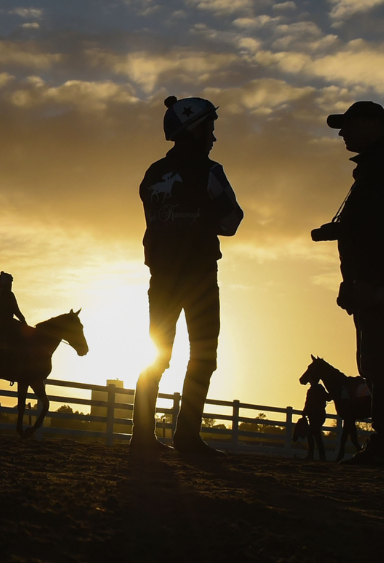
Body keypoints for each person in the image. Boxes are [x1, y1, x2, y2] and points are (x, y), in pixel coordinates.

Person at [311, 101, 384, 467]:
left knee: (378, 362)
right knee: (375, 360)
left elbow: (378, 227)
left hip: (380, 282)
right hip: (377, 280)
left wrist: (367, 277)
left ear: (374, 123)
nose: (342, 133)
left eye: (349, 125)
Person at [131, 95, 243, 456]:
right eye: (209, 129)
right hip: (199, 277)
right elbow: (232, 220)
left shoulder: (151, 175)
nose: (213, 137)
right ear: (193, 130)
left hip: (161, 278)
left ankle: (142, 436)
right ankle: (188, 437)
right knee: (204, 355)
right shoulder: (211, 172)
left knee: (157, 355)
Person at [0, 271, 28, 347]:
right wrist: (24, 321)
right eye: (10, 283)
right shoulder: (8, 295)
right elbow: (16, 310)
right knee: (25, 335)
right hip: (6, 323)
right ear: (7, 284)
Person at [301, 382, 331, 461]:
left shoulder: (311, 390)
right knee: (316, 435)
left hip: (314, 415)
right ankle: (320, 455)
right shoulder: (321, 389)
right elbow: (328, 397)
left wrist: (304, 412)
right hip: (320, 414)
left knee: (313, 435)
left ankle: (313, 455)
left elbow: (308, 402)